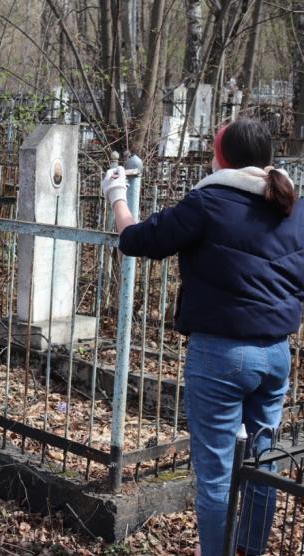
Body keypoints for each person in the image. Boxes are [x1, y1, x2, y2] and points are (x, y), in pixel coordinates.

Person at [102, 119, 304, 556]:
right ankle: (249, 550)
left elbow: (140, 240)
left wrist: (117, 196)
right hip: (276, 356)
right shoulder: (294, 208)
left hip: (221, 356)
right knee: (261, 465)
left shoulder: (210, 200)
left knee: (215, 475)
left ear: (223, 158)